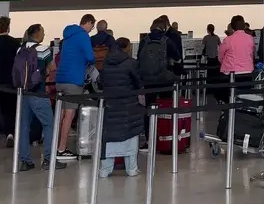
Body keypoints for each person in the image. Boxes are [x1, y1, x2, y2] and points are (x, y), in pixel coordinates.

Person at [13, 24, 65, 171]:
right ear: (37, 34)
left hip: (23, 94)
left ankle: (25, 161)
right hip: (38, 93)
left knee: (24, 127)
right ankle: (48, 159)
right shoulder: (43, 49)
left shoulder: (20, 49)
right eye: (43, 32)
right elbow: (53, 67)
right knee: (49, 125)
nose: (44, 34)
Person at [98, 37, 142, 177]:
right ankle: (131, 169)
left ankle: (105, 170)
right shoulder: (131, 63)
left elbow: (102, 82)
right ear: (128, 47)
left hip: (110, 105)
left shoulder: (106, 62)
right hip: (128, 105)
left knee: (109, 137)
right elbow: (138, 83)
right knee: (130, 136)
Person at [55, 13, 96, 160]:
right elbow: (90, 57)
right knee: (69, 116)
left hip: (60, 79)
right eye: (92, 26)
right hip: (74, 79)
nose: (92, 29)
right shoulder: (83, 36)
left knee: (59, 116)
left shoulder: (68, 36)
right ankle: (61, 149)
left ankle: (53, 146)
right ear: (88, 22)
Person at [138, 16, 178, 141]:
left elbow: (139, 57)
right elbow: (177, 57)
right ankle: (166, 135)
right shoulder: (166, 40)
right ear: (163, 28)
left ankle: (149, 136)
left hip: (148, 79)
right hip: (163, 78)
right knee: (167, 105)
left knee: (149, 107)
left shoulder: (144, 40)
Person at [0, 15, 20, 147]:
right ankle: (10, 134)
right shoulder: (15, 43)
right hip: (9, 82)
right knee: (9, 110)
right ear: (8, 27)